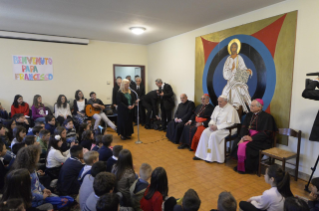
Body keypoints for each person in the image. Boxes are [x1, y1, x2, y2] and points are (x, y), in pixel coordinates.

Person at [231, 99, 277, 174]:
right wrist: (243, 137)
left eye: (252, 106)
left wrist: (252, 138)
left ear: (260, 107)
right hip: (248, 136)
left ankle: (249, 168)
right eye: (250, 105)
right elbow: (244, 127)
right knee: (237, 141)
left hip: (261, 140)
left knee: (248, 146)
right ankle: (241, 166)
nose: (250, 107)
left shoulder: (268, 117)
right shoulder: (249, 115)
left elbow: (266, 133)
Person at [193, 95, 240, 163]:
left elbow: (231, 123)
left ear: (225, 101)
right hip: (216, 127)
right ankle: (202, 155)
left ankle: (212, 157)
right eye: (218, 101)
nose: (219, 103)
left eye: (220, 102)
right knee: (205, 132)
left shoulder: (231, 109)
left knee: (213, 135)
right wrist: (212, 124)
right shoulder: (217, 107)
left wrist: (217, 127)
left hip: (227, 129)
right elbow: (213, 118)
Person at [11, 145, 54, 210]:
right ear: (32, 158)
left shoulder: (32, 169)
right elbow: (30, 194)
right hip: (34, 203)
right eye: (38, 155)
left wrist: (44, 189)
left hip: (40, 196)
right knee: (52, 204)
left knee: (56, 197)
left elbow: (37, 182)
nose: (39, 156)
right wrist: (42, 196)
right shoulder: (25, 175)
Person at [222, 40, 253, 113]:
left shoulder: (239, 58)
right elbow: (225, 70)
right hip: (230, 80)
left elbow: (243, 68)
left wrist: (246, 71)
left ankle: (239, 107)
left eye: (235, 47)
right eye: (232, 47)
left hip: (237, 80)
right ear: (230, 49)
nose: (233, 49)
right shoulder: (228, 59)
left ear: (237, 48)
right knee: (226, 92)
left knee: (239, 89)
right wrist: (231, 72)